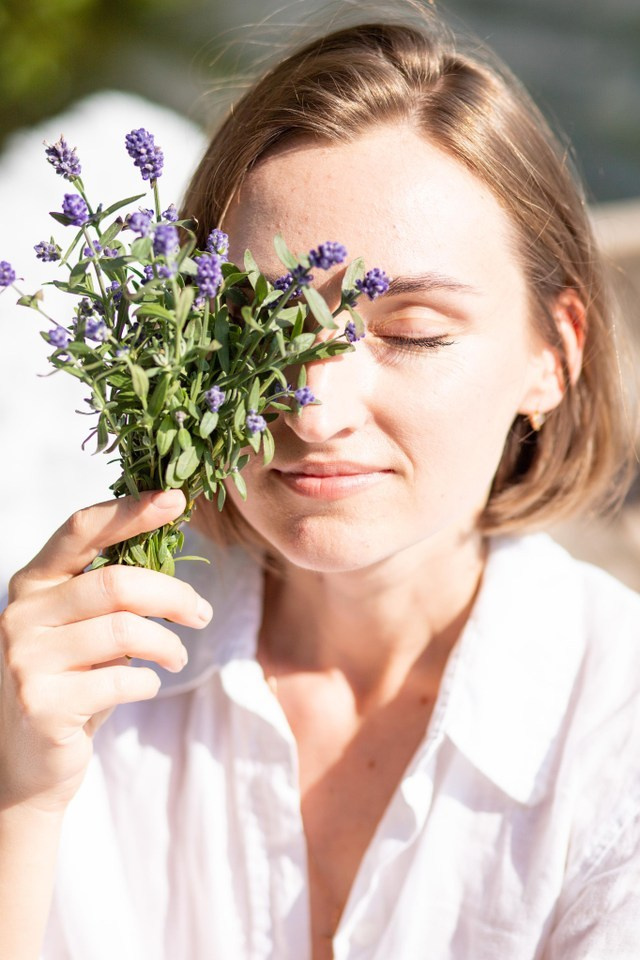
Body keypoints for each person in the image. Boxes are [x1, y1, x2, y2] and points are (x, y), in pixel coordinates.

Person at [1, 8, 640, 960]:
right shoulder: (77, 687)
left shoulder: (614, 734)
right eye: (259, 326)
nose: (313, 409)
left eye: (414, 331)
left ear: (555, 355)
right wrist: (21, 796)